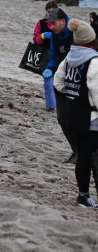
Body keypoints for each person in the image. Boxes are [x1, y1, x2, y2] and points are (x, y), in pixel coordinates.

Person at [53, 19, 98, 208]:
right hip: (92, 119)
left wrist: (74, 95)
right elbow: (96, 93)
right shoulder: (94, 61)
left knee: (82, 156)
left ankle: (83, 196)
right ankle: (86, 197)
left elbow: (58, 83)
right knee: (95, 158)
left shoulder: (69, 58)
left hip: (74, 116)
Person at [42, 7, 77, 161]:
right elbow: (54, 56)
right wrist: (49, 68)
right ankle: (76, 151)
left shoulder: (77, 31)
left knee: (80, 119)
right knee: (62, 119)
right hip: (61, 80)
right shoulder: (55, 36)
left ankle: (84, 152)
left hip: (78, 81)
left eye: (53, 23)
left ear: (63, 21)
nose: (51, 27)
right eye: (49, 24)